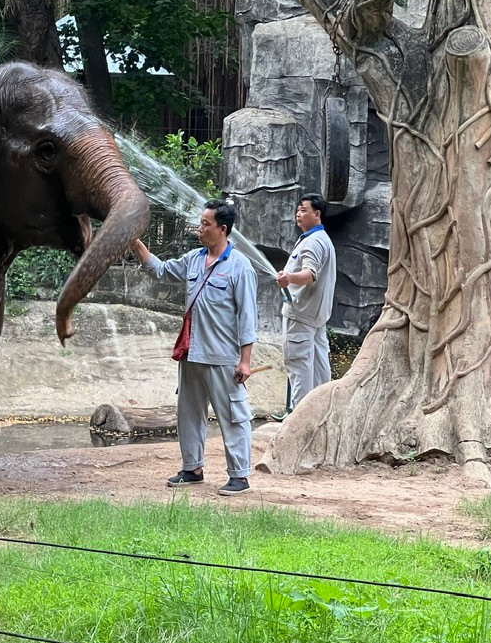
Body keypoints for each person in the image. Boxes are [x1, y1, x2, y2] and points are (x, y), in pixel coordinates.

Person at [132, 199, 259, 496]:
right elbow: (161, 270)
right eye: (200, 222)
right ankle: (192, 468)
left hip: (222, 356)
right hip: (191, 351)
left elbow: (248, 318)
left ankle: (239, 475)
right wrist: (134, 241)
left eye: (205, 224)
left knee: (232, 415)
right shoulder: (193, 259)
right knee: (188, 413)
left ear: (222, 229)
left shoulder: (240, 267)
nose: (199, 228)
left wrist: (245, 361)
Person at [276, 192, 337, 411]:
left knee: (300, 371)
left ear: (317, 214)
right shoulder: (322, 240)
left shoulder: (313, 243)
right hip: (316, 319)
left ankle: (298, 428)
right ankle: (321, 420)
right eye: (298, 210)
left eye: (304, 210)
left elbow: (310, 274)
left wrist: (288, 277)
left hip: (301, 317)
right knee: (320, 376)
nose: (298, 214)